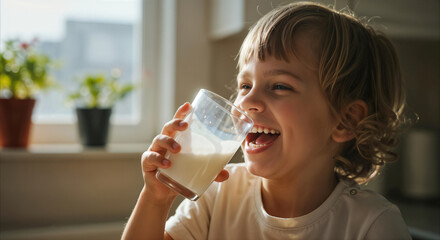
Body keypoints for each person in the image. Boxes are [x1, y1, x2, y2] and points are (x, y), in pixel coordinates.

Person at [122, 2, 412, 239]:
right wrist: (155, 199)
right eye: (245, 86)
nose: (246, 102)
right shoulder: (217, 195)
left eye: (280, 86)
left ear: (344, 121)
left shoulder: (372, 225)